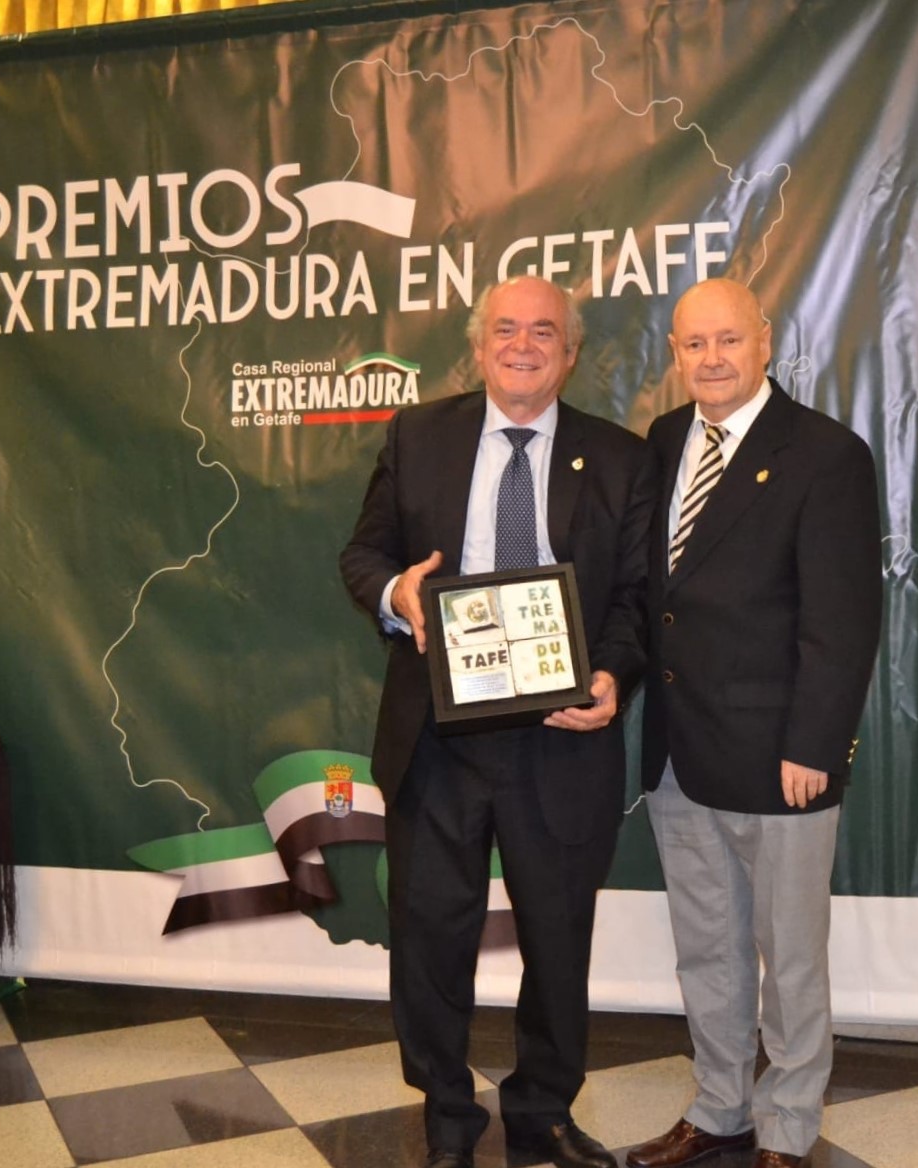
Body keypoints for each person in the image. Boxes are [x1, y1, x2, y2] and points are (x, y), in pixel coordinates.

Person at [339, 276, 655, 1168]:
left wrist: (610, 677)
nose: (523, 345)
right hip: (436, 736)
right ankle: (445, 1115)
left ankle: (543, 1111)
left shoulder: (621, 459)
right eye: (506, 330)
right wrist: (401, 592)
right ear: (479, 347)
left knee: (558, 937)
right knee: (431, 935)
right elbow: (363, 555)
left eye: (544, 331)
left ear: (570, 351)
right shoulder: (417, 435)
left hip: (559, 737)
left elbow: (634, 600)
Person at [627, 278, 882, 1168]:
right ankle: (720, 1106)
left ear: (765, 342)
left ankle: (788, 1125)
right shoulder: (662, 444)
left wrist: (814, 744)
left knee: (792, 961)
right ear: (675, 352)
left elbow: (842, 621)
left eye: (728, 340)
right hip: (678, 757)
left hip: (781, 759)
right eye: (694, 344)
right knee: (708, 953)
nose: (712, 360)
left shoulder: (825, 455)